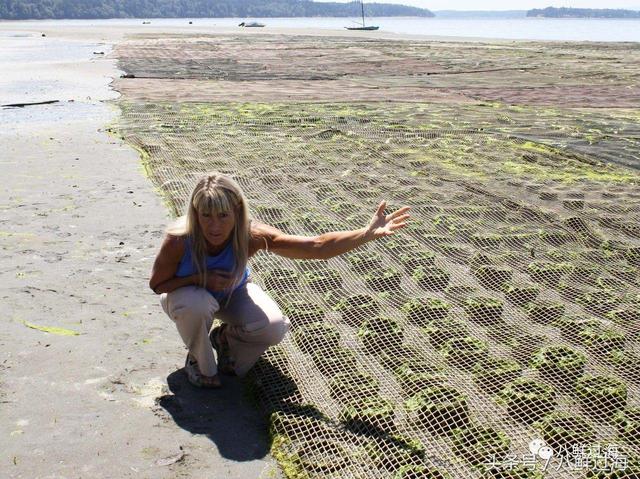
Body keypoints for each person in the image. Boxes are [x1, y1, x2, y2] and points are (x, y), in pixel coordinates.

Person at [149, 172, 410, 388]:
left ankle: (226, 339)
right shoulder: (180, 239)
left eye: (223, 216)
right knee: (196, 305)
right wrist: (200, 279)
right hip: (187, 297)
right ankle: (199, 362)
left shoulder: (250, 234)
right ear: (195, 213)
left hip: (232, 294)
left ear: (237, 211)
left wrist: (364, 233)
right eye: (206, 216)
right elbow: (158, 285)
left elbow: (316, 246)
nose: (214, 226)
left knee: (273, 327)